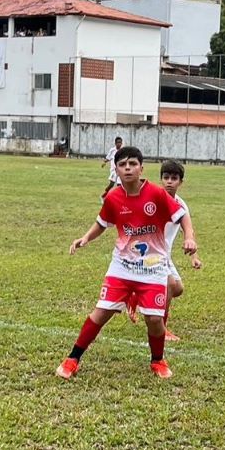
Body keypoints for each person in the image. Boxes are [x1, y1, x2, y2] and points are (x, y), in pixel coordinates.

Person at [57, 146, 197, 380]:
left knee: (154, 319)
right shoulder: (113, 198)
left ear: (142, 168)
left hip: (153, 268)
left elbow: (182, 215)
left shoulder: (156, 193)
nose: (128, 168)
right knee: (101, 313)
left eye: (133, 163)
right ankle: (73, 358)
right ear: (117, 170)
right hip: (122, 267)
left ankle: (157, 360)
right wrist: (86, 238)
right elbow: (102, 222)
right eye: (122, 165)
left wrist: (190, 237)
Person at [159, 159, 202, 342]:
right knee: (169, 285)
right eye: (166, 177)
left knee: (177, 289)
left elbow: (188, 231)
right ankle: (161, 329)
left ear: (181, 182)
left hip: (164, 255)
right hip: (149, 255)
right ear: (161, 179)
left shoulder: (181, 205)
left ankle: (142, 296)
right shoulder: (154, 200)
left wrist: (194, 256)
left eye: (174, 178)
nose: (169, 181)